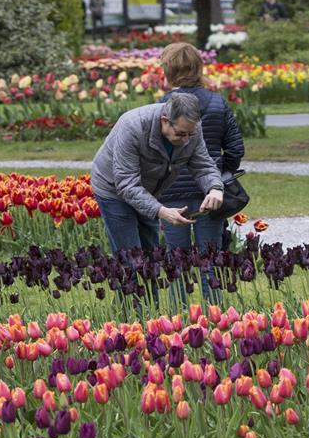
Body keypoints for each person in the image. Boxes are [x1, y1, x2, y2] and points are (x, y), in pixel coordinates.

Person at [91, 93, 224, 309]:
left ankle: (151, 317)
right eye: (181, 134)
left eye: (191, 134)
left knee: (150, 259)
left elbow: (203, 164)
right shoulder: (133, 126)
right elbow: (126, 184)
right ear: (165, 121)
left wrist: (215, 188)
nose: (186, 140)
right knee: (131, 259)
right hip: (113, 189)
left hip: (149, 190)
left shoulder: (191, 129)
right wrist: (161, 211)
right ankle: (129, 323)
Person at [158, 42, 245, 304]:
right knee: (210, 256)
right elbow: (235, 147)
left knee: (177, 258)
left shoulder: (162, 106)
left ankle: (176, 318)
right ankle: (214, 313)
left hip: (172, 192)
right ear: (199, 67)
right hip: (211, 192)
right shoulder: (217, 103)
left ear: (168, 70)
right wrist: (222, 173)